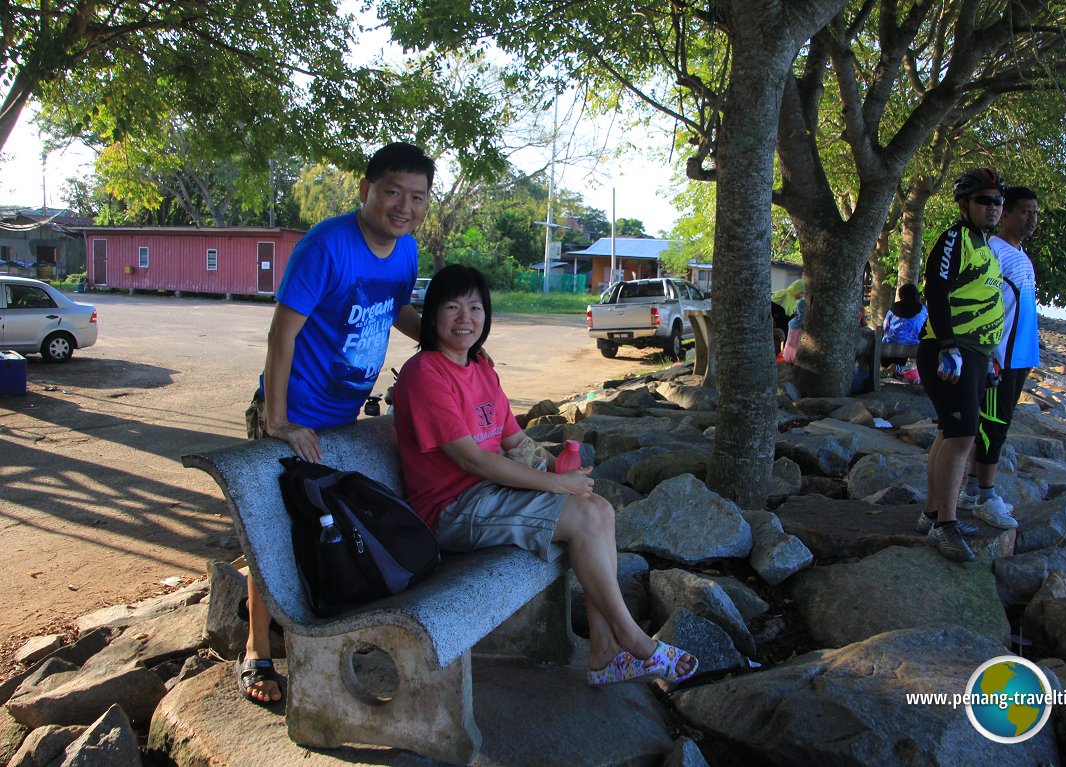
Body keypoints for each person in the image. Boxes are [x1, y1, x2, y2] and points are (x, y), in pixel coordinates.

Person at [392, 264, 699, 686]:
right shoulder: (425, 374)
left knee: (600, 508)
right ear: (430, 315)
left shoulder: (480, 367)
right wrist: (556, 484)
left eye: (475, 308)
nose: (466, 319)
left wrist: (558, 466)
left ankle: (604, 651)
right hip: (449, 509)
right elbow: (472, 461)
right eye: (452, 307)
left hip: (486, 494)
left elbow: (514, 442)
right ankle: (632, 640)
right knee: (586, 516)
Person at [238, 142, 434, 705]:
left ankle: (321, 629)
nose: (404, 206)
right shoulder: (326, 245)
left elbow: (397, 309)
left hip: (342, 421)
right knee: (270, 536)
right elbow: (283, 333)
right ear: (365, 189)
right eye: (392, 191)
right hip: (295, 415)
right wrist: (278, 420)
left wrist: (451, 343)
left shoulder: (405, 252)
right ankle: (256, 650)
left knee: (317, 529)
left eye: (416, 196)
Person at [914, 168, 1006, 562]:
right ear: (965, 205)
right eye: (984, 201)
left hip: (974, 354)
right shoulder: (955, 238)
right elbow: (935, 287)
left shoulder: (983, 243)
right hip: (951, 351)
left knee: (948, 432)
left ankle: (933, 514)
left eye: (998, 201)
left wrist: (987, 359)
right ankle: (945, 528)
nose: (993, 208)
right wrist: (950, 345)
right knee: (962, 437)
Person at [958, 187, 1041, 528]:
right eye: (1025, 212)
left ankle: (973, 490)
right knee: (994, 426)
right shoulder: (994, 251)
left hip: (1020, 356)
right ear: (1005, 214)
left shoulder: (1022, 255)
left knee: (995, 423)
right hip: (999, 357)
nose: (1032, 218)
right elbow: (980, 304)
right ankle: (986, 497)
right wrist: (989, 353)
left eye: (1035, 213)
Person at [881, 283, 928, 376]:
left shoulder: (893, 308)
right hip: (914, 344)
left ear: (900, 295)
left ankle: (888, 368)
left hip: (891, 343)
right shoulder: (923, 309)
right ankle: (897, 368)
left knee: (890, 339)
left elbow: (885, 327)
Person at [773, 278, 805, 362]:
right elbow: (779, 311)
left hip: (784, 323)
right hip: (778, 323)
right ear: (796, 288)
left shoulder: (793, 300)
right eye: (801, 292)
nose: (801, 295)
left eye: (803, 294)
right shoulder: (785, 294)